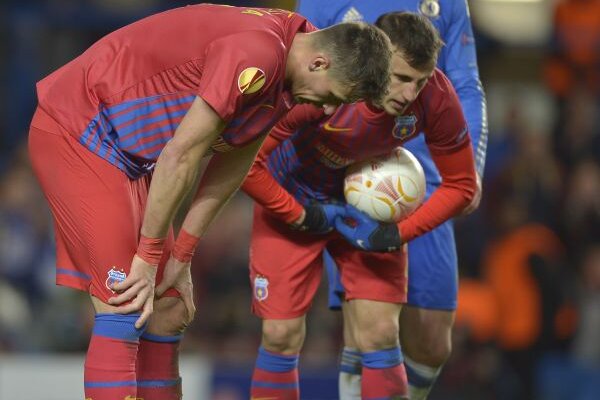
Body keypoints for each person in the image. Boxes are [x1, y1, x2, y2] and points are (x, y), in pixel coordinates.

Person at [27, 4, 393, 399]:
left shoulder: (294, 53)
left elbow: (237, 157)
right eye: (334, 96)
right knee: (125, 301)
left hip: (131, 157)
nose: (328, 109)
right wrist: (148, 256)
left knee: (169, 310)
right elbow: (181, 155)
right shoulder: (258, 53)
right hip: (81, 127)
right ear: (319, 63)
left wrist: (182, 255)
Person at [242, 11, 476, 400]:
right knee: (280, 334)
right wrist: (299, 214)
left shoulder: (436, 96)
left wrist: (395, 234)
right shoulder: (327, 84)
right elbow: (247, 164)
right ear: (377, 58)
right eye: (401, 78)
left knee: (380, 332)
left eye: (419, 81)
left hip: (368, 212)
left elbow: (462, 185)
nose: (409, 94)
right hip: (293, 199)